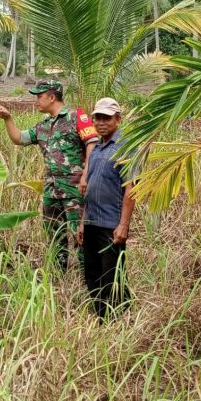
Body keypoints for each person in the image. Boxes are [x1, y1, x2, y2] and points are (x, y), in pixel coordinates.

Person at [0, 80, 98, 272]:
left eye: (39, 97)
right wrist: (8, 118)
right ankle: (59, 275)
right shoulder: (43, 126)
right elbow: (18, 138)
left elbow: (92, 143)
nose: (36, 101)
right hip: (52, 190)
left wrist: (86, 175)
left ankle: (88, 277)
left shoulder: (76, 117)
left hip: (75, 189)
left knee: (81, 235)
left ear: (52, 97)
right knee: (54, 234)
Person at [75, 97, 136, 319]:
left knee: (112, 277)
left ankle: (118, 320)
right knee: (92, 274)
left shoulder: (126, 147)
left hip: (111, 225)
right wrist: (82, 222)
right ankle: (102, 317)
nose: (101, 122)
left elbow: (131, 189)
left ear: (117, 119)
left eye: (106, 118)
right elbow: (88, 189)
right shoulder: (97, 149)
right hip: (91, 222)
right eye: (97, 118)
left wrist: (123, 225)